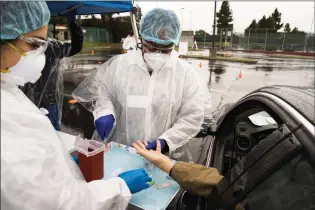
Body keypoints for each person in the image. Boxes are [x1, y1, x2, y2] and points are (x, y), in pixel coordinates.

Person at [1, 2, 151, 209]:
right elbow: (59, 203)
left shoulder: (8, 86)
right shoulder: (9, 119)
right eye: (35, 44)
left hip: (47, 105)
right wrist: (119, 186)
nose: (40, 56)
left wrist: (64, 164)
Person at [72, 8, 211, 160]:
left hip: (161, 159)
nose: (157, 53)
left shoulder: (185, 73)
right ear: (142, 40)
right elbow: (104, 93)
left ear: (174, 44)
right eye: (152, 47)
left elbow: (193, 115)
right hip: (120, 152)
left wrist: (166, 141)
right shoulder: (120, 65)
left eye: (165, 50)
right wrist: (105, 112)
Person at [19, 8, 84, 131]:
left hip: (48, 101)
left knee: (51, 135)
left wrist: (73, 25)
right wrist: (72, 24)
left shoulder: (51, 46)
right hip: (27, 101)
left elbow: (75, 47)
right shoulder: (15, 45)